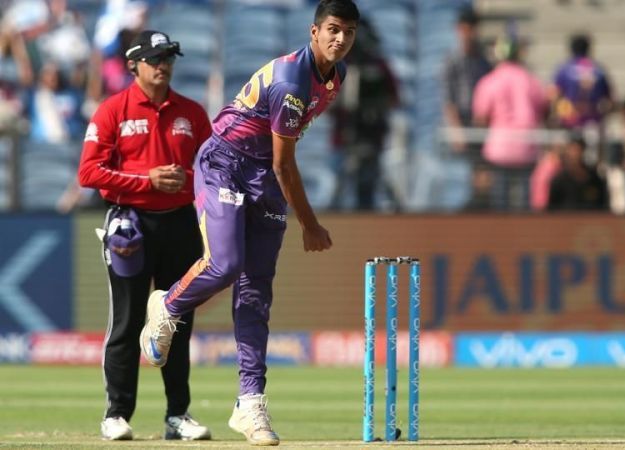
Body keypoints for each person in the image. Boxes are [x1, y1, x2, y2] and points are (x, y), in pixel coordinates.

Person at [138, 0, 359, 445]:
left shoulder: (336, 77)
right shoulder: (292, 80)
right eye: (333, 29)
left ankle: (250, 402)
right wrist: (310, 224)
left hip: (262, 174)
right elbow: (285, 164)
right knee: (225, 263)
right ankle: (168, 304)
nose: (340, 39)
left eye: (349, 32)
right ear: (313, 31)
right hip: (225, 162)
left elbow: (278, 159)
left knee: (256, 290)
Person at [76, 30, 212, 441]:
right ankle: (116, 413)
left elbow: (211, 171)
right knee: (128, 320)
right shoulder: (112, 110)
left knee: (177, 322)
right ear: (134, 64)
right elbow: (89, 173)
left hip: (181, 225)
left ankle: (178, 415)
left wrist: (182, 182)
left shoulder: (191, 112)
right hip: (130, 225)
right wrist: (147, 180)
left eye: (169, 57)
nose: (163, 65)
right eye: (155, 58)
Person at [472, 31, 549, 210]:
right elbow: (543, 109)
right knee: (524, 199)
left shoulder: (490, 81)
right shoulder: (531, 80)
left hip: (500, 147)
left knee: (500, 199)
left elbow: (480, 116)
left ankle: (501, 235)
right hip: (527, 146)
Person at [330, 16, 398, 210]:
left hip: (371, 138)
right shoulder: (339, 66)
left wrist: (374, 105)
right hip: (344, 138)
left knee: (367, 190)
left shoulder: (380, 66)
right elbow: (324, 103)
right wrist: (343, 100)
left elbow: (394, 99)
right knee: (339, 188)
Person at [441, 6, 493, 210]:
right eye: (466, 27)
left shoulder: (483, 60)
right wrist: (456, 131)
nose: (470, 32)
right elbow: (448, 99)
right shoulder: (451, 60)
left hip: (479, 126)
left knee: (482, 175)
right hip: (460, 126)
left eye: (473, 27)